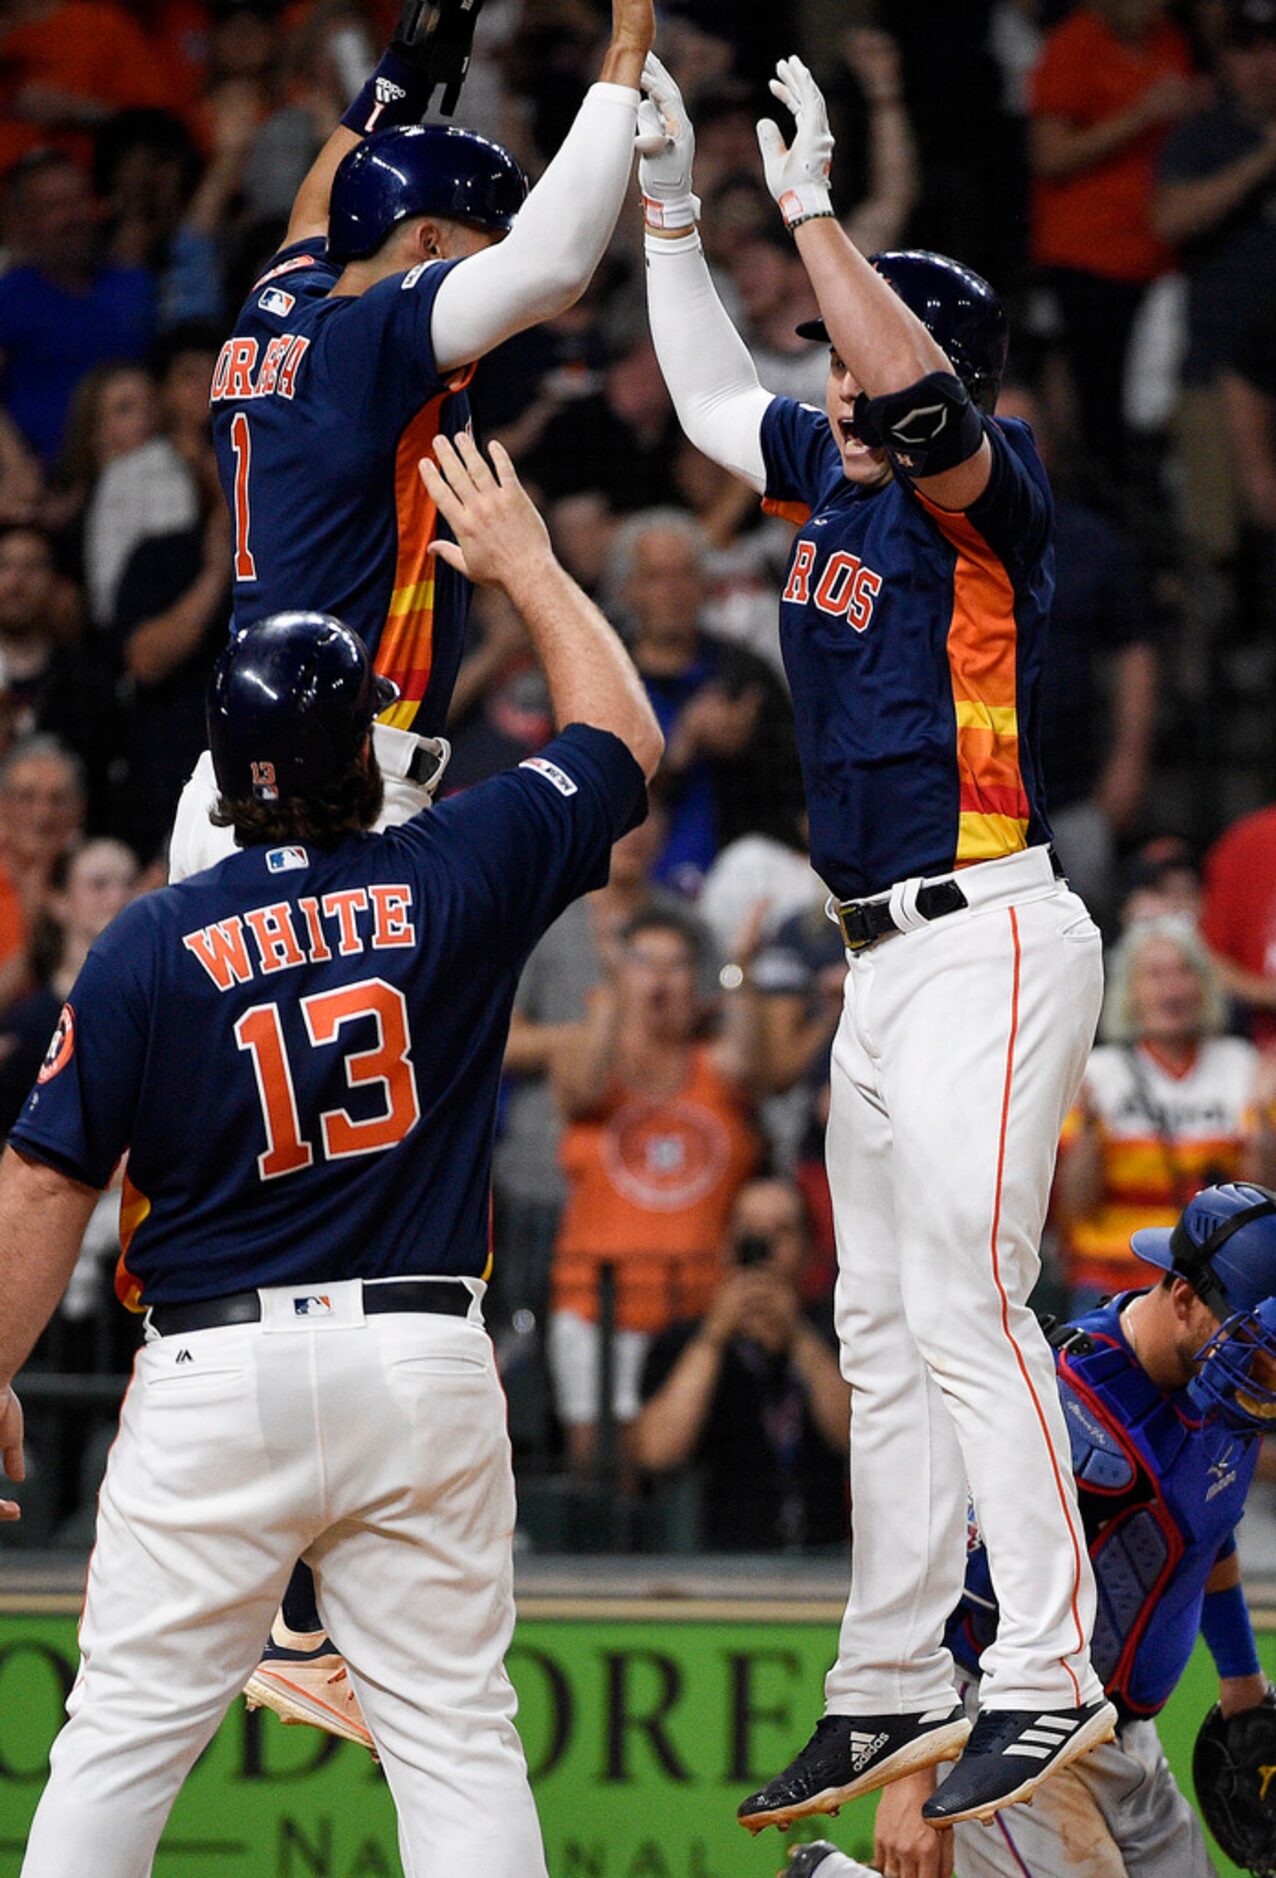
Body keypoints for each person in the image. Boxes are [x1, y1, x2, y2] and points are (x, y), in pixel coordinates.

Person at [3, 429, 663, 1878]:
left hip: (212, 1373)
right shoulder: (453, 869)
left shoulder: (146, 942)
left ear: (224, 776)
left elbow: (46, 1176)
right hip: (420, 1359)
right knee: (457, 1735)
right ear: (362, 753)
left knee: (116, 1735)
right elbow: (621, 736)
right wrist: (534, 570)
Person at [637, 51, 1116, 1834]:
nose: (825, 372)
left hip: (987, 932)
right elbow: (700, 397)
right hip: (877, 960)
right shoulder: (831, 477)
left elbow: (916, 402)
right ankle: (892, 1677)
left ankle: (1047, 1672)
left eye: (851, 348)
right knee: (878, 1324)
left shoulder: (982, 499)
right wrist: (676, 215)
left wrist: (821, 212)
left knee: (971, 1306)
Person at [168, 0, 657, 884]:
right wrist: (623, 60)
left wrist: (397, 74)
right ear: (428, 243)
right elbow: (555, 267)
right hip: (339, 795)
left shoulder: (280, 297)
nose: (498, 265)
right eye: (485, 244)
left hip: (236, 787)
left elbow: (321, 200)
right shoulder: (373, 341)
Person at [863, 1181, 1276, 1878]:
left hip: (1122, 1736)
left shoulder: (1228, 1389)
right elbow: (936, 1589)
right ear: (1182, 1297)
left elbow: (1209, 1532)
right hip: (1012, 1722)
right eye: (1258, 1346)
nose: (1270, 1369)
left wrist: (1243, 1686)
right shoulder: (1063, 1411)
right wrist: (908, 1779)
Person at [547, 902, 762, 1477]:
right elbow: (582, 1089)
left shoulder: (713, 1065)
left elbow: (751, 1064)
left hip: (697, 1310)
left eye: (677, 964)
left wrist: (739, 970)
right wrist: (613, 992)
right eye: (645, 963)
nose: (660, 979)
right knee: (602, 1463)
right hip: (598, 1303)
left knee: (691, 1462)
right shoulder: (591, 1053)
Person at [1056, 915, 1276, 1310]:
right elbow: (1076, 1211)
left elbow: (1262, 1200)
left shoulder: (1243, 1067)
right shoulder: (1095, 1074)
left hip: (1214, 1283)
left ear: (1205, 984)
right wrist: (1088, 1126)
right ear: (1129, 991)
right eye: (1155, 975)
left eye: (1184, 971)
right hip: (1112, 1278)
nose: (1172, 989)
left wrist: (1260, 1119)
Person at [633, 1175, 850, 1551]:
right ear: (726, 1244)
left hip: (828, 1559)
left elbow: (854, 1435)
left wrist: (798, 1336)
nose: (763, 1246)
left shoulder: (839, 1330)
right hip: (723, 1566)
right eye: (749, 1230)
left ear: (810, 1248)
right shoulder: (685, 1339)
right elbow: (657, 1450)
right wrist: (715, 1337)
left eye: (782, 1231)